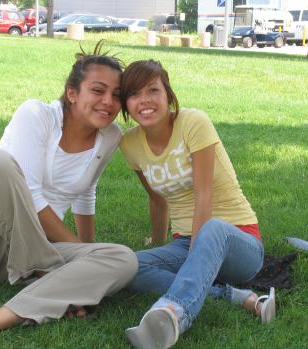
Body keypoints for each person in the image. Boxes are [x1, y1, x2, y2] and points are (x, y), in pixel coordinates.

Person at [0, 41, 138, 347]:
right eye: (97, 90)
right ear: (72, 93)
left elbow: (86, 192)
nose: (108, 102)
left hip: (34, 253)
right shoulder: (36, 114)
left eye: (116, 95)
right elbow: (30, 195)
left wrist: (86, 251)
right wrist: (68, 265)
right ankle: (52, 277)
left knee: (123, 259)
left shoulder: (110, 136)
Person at [119, 60, 276, 349]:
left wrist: (194, 257)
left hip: (236, 241)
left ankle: (173, 313)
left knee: (213, 227)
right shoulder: (129, 143)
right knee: (128, 266)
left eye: (153, 90)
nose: (145, 101)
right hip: (185, 242)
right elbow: (156, 198)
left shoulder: (193, 122)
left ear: (168, 94)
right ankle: (235, 297)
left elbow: (204, 196)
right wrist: (157, 242)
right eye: (134, 94)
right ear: (126, 104)